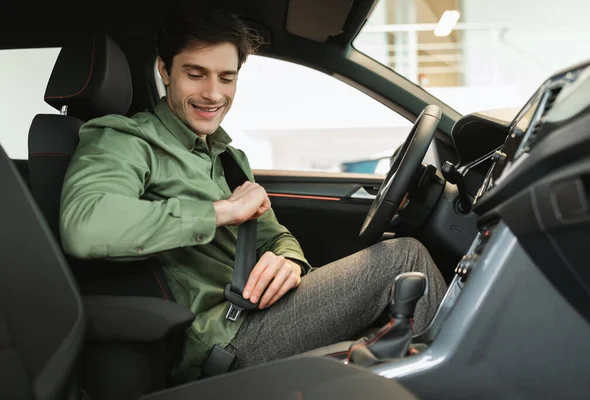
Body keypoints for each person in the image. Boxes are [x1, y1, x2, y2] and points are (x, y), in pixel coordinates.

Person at [59, 0, 447, 384]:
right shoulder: (126, 141)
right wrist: (221, 212)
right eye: (196, 74)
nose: (213, 94)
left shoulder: (228, 158)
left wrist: (289, 261)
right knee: (405, 259)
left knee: (391, 333)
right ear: (165, 70)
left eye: (226, 78)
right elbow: (86, 226)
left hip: (259, 312)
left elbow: (275, 235)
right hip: (220, 339)